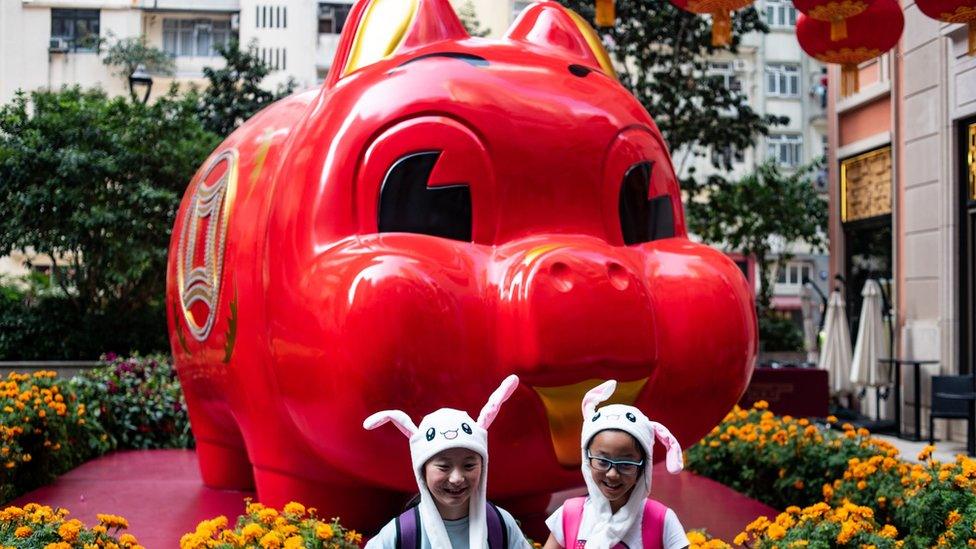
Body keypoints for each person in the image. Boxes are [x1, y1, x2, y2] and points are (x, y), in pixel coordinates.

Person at [363, 374, 531, 549]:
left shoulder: (501, 526)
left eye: (469, 465)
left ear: (483, 466)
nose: (457, 478)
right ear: (422, 469)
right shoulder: (400, 535)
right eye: (444, 466)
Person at [543, 380, 689, 549]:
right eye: (603, 461)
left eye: (626, 464)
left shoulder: (662, 521)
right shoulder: (569, 514)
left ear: (643, 466)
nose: (612, 474)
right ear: (587, 459)